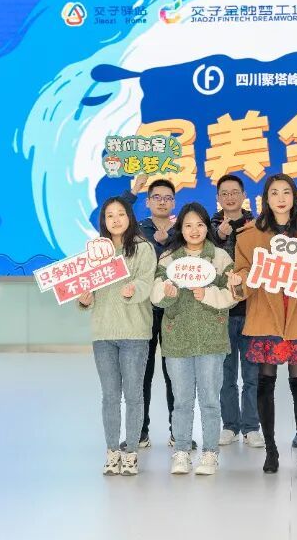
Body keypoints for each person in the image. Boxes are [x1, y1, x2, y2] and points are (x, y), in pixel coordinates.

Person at [230, 174, 297, 481]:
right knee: (265, 383)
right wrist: (238, 281)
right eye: (274, 193)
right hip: (266, 316)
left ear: (295, 197)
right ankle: (271, 450)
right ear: (266, 199)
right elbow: (242, 278)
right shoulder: (249, 235)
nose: (281, 198)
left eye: (286, 192)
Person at [151, 203, 236, 475]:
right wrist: (166, 293)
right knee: (182, 401)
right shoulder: (169, 258)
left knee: (210, 399)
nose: (194, 230)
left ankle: (210, 453)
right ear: (180, 229)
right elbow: (156, 295)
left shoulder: (220, 256)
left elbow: (234, 295)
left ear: (207, 227)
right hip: (178, 338)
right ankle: (181, 451)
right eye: (188, 225)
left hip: (211, 339)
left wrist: (208, 294)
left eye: (200, 224)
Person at [78, 195, 158, 476]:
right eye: (110, 215)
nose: (115, 219)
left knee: (134, 395)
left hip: (134, 332)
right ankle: (112, 451)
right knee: (110, 396)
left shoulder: (143, 248)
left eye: (120, 214)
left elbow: (146, 281)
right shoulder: (95, 253)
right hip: (103, 333)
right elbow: (85, 290)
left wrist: (133, 289)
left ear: (130, 217)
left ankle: (131, 452)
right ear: (103, 221)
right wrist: (84, 299)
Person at [119, 174, 181, 448]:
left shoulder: (183, 229)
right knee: (141, 373)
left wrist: (168, 240)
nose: (162, 202)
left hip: (174, 309)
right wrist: (133, 190)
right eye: (156, 197)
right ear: (147, 202)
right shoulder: (137, 229)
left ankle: (178, 431)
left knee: (175, 372)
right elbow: (116, 212)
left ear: (174, 202)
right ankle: (140, 432)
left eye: (167, 198)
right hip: (143, 309)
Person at [210, 174, 263, 448]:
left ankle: (251, 427)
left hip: (252, 309)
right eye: (224, 193)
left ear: (244, 195)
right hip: (221, 313)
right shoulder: (208, 227)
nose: (230, 197)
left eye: (234, 192)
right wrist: (218, 238)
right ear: (218, 198)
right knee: (225, 375)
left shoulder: (258, 225)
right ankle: (230, 425)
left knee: (252, 375)